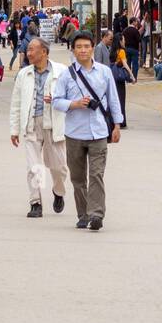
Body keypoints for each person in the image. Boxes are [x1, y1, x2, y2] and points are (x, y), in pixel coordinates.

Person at [52, 31, 123, 231]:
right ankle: (83, 214)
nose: (83, 50)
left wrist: (117, 125)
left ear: (92, 48)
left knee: (97, 175)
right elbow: (56, 101)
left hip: (99, 132)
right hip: (74, 133)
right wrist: (74, 104)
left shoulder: (104, 72)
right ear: (73, 50)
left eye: (86, 46)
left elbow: (113, 99)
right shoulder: (67, 74)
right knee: (77, 177)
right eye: (79, 47)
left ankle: (96, 214)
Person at [9, 37, 68, 219]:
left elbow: (71, 96)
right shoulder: (24, 74)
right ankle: (36, 202)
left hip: (54, 123)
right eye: (28, 50)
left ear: (44, 52)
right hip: (31, 123)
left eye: (32, 50)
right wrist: (14, 129)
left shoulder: (62, 71)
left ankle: (58, 191)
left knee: (58, 167)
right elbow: (16, 102)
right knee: (34, 166)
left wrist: (58, 99)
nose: (28, 53)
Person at [111, 39, 136, 128]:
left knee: (114, 99)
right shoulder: (121, 51)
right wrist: (132, 75)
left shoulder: (112, 51)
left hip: (113, 76)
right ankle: (121, 121)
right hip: (119, 79)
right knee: (121, 100)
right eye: (123, 40)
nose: (124, 41)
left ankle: (114, 120)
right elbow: (125, 64)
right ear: (120, 41)